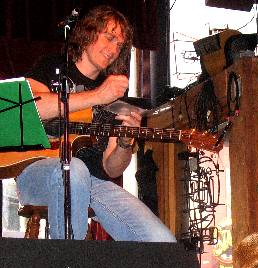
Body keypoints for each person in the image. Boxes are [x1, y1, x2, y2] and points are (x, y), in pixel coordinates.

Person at [15, 5, 176, 242]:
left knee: (159, 241)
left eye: (119, 45)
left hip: (92, 183)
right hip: (37, 173)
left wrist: (124, 140)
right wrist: (98, 96)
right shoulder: (51, 67)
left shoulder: (114, 98)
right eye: (109, 38)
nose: (113, 49)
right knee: (74, 169)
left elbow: (112, 168)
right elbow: (32, 108)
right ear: (89, 32)